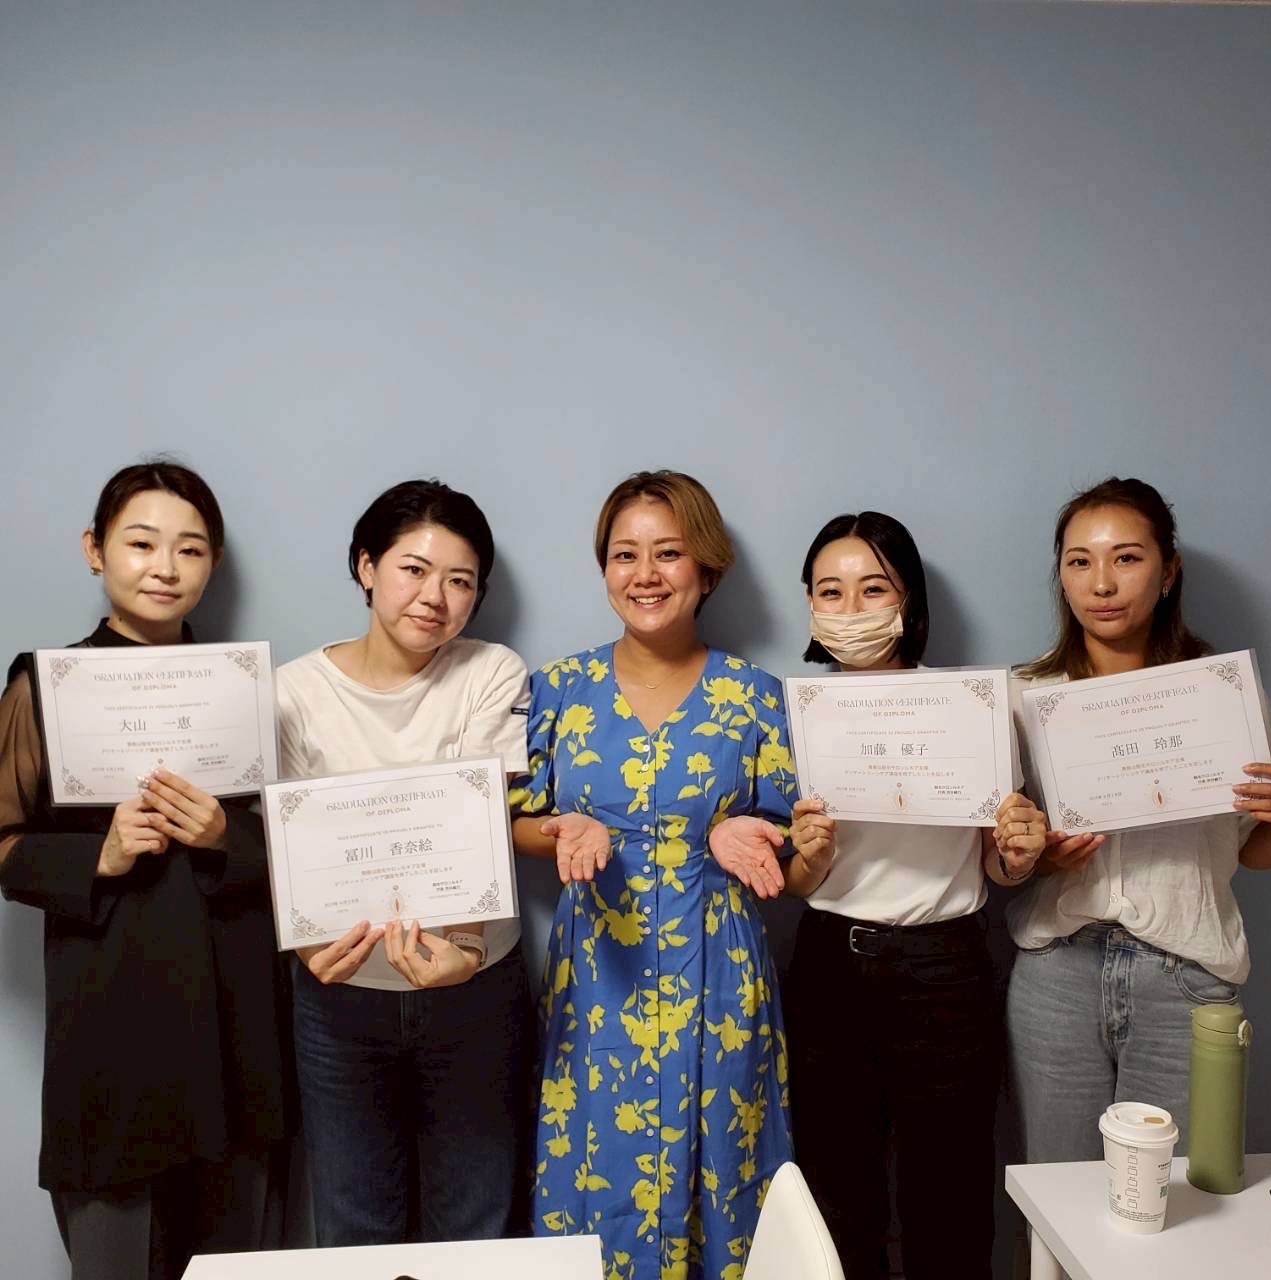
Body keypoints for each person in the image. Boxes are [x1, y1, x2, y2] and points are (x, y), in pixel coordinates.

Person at [0, 461, 292, 1280]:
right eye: (141, 543)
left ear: (213, 565)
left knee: (239, 1264)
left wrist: (225, 835)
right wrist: (100, 852)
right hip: (111, 1027)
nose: (165, 567)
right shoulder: (41, 685)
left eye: (190, 549)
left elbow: (304, 849)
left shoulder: (245, 687)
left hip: (237, 1028)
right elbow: (4, 845)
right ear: (94, 549)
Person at [510, 470, 796, 1280]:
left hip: (721, 972)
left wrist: (741, 833)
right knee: (599, 1162)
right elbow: (516, 818)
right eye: (624, 555)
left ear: (705, 566)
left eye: (668, 553)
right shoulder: (556, 689)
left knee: (726, 1167)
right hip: (600, 971)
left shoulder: (755, 696)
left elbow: (793, 833)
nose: (645, 574)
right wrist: (565, 830)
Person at [783, 511, 1045, 1280]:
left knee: (950, 1197)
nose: (851, 608)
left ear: (908, 599)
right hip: (830, 964)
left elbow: (999, 864)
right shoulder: (792, 715)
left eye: (873, 588)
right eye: (830, 591)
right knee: (838, 1197)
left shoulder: (975, 706)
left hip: (945, 968)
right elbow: (794, 880)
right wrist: (809, 858)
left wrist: (1018, 855)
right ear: (809, 604)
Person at [276, 478, 532, 1246]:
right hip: (342, 996)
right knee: (353, 1226)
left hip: (475, 988)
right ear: (366, 566)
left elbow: (482, 822)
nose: (435, 597)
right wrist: (306, 942)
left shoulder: (493, 672)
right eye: (414, 570)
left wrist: (469, 946)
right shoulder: (291, 693)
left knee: (476, 1224)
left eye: (460, 581)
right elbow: (286, 847)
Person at [1006, 477, 1271, 1162]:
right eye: (1079, 561)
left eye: (1126, 558)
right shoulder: (1023, 696)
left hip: (1187, 974)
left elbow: (1253, 849)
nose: (1101, 583)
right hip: (1058, 972)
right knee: (1058, 1189)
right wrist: (1040, 857)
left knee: (1175, 1196)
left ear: (1169, 571)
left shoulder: (1225, 693)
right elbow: (1002, 858)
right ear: (1062, 575)